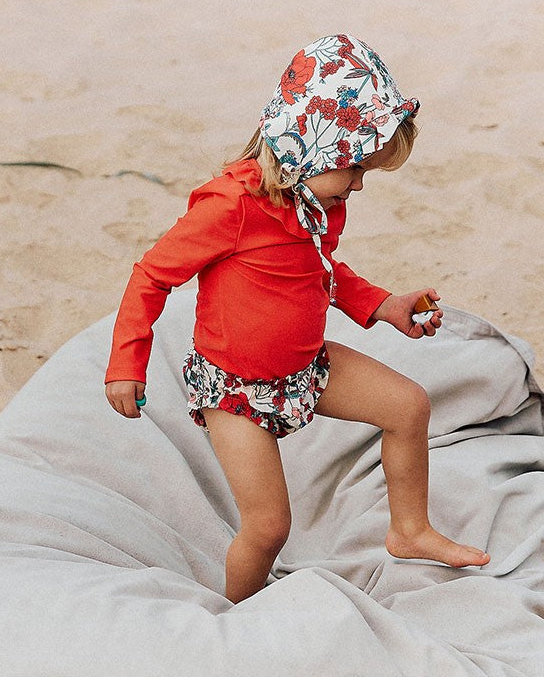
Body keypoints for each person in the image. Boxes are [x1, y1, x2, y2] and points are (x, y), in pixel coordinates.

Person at [104, 33, 490, 603]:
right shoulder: (230, 208)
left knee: (408, 405)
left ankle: (409, 530)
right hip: (236, 388)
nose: (358, 184)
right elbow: (152, 275)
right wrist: (125, 362)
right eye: (355, 168)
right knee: (267, 528)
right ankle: (234, 615)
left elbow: (320, 267)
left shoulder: (319, 202)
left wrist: (383, 305)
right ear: (313, 152)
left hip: (307, 368)